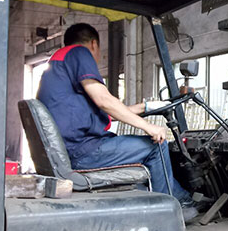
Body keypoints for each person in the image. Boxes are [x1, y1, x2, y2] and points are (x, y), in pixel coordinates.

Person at [37, 23, 195, 213]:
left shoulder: (59, 64)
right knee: (157, 146)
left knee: (145, 153)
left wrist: (145, 107)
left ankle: (179, 198)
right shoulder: (79, 52)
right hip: (84, 151)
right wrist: (148, 127)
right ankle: (172, 208)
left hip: (72, 150)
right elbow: (104, 100)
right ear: (94, 44)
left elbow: (109, 111)